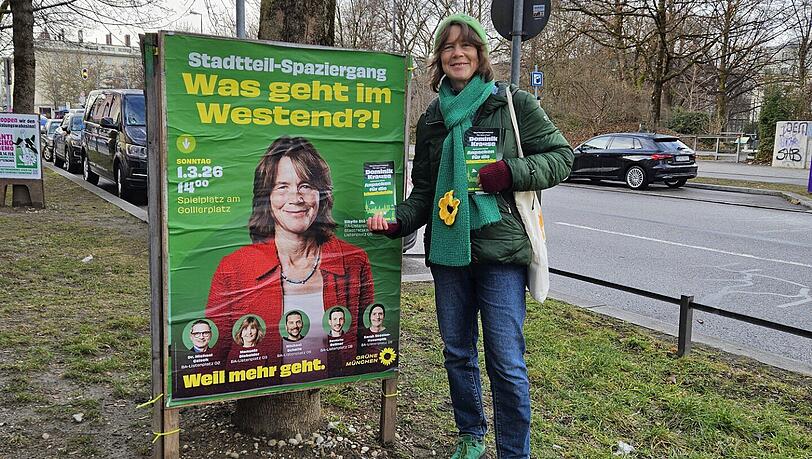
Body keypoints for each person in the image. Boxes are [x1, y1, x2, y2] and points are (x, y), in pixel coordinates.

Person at [367, 14, 573, 459]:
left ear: (480, 55)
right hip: (447, 252)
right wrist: (399, 221)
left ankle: (514, 452)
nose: (457, 53)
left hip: (499, 251)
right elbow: (423, 192)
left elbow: (562, 158)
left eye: (466, 46)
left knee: (506, 362)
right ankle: (471, 436)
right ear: (439, 59)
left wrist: (511, 172)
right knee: (458, 353)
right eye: (448, 47)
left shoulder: (511, 104)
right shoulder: (432, 118)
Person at [207, 136, 374, 378]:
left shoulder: (354, 261)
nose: (296, 198)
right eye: (282, 186)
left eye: (306, 185)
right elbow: (210, 357)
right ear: (267, 196)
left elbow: (371, 342)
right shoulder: (233, 267)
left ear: (321, 194)